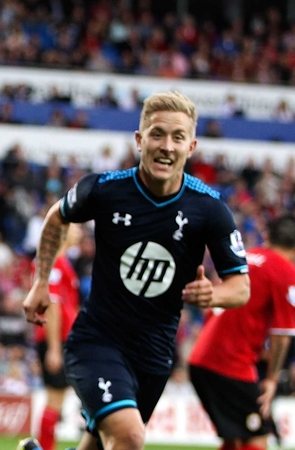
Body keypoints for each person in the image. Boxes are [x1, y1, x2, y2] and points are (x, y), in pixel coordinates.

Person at [23, 91, 251, 450]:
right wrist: (40, 282)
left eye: (177, 137)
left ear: (191, 146)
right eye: (157, 134)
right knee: (129, 437)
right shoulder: (105, 189)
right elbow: (56, 217)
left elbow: (241, 286)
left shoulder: (209, 208)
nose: (166, 146)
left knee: (100, 445)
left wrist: (214, 294)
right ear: (140, 140)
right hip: (97, 341)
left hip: (155, 355)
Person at [188, 214, 295, 450]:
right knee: (256, 439)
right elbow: (283, 333)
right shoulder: (285, 271)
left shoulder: (245, 258)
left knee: (234, 439)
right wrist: (272, 379)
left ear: (269, 236)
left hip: (201, 358)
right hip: (230, 364)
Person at [33, 224, 82, 450]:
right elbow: (51, 306)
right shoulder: (54, 263)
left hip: (62, 339)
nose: (79, 231)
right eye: (75, 227)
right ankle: (45, 447)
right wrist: (54, 348)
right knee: (55, 398)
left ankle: (46, 445)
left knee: (58, 398)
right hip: (56, 339)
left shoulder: (60, 262)